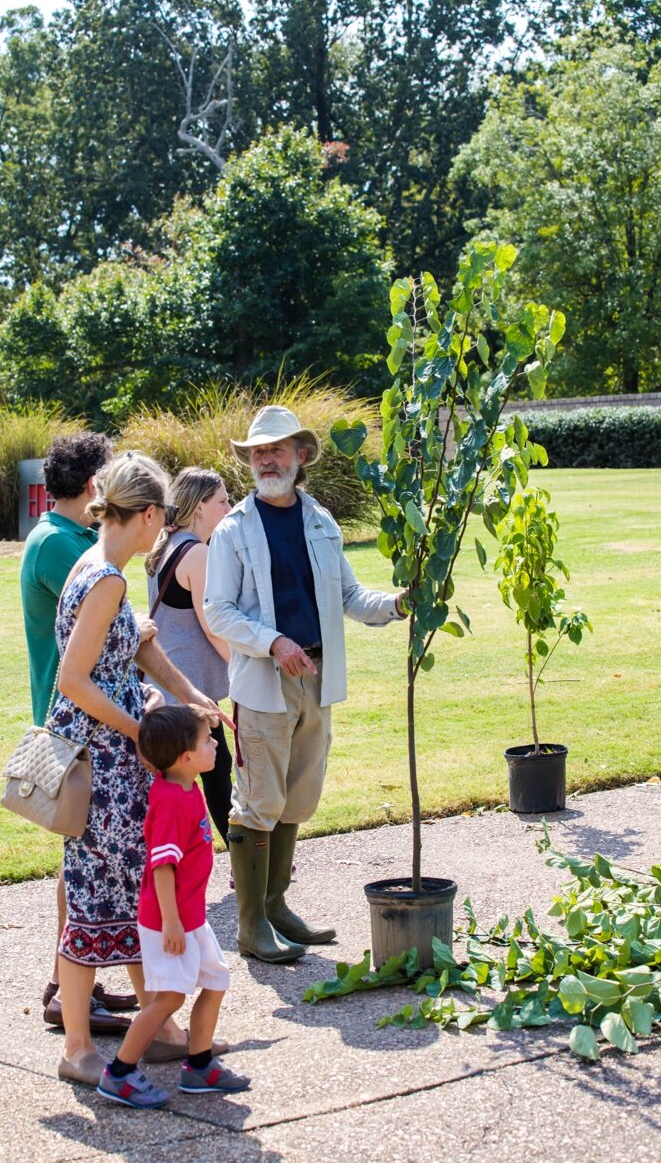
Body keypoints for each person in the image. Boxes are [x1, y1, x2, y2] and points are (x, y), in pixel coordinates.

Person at [51, 451, 233, 1087]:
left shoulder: (99, 567)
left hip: (111, 761)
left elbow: (138, 648)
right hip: (103, 765)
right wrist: (143, 732)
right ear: (151, 513)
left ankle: (162, 1031)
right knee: (94, 901)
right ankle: (78, 1048)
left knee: (130, 896)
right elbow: (73, 680)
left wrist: (192, 697)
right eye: (165, 516)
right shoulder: (105, 580)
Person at [204, 406, 406, 963]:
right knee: (257, 801)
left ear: (301, 455)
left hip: (317, 678)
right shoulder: (233, 530)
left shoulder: (320, 521)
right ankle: (251, 926)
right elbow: (218, 610)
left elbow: (348, 596)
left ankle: (275, 907)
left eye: (277, 449)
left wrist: (396, 604)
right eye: (257, 452)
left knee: (296, 796)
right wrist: (273, 642)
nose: (266, 460)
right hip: (263, 682)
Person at [20, 432, 136, 1031]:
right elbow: (113, 627)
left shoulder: (66, 537)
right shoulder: (59, 544)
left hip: (82, 716)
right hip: (77, 723)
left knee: (82, 858)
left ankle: (73, 986)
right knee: (82, 858)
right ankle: (67, 992)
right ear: (95, 484)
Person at [97, 703, 250, 1108]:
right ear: (185, 757)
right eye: (207, 741)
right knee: (168, 999)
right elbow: (161, 867)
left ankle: (199, 1066)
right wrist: (170, 923)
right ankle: (119, 1073)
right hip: (170, 921)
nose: (214, 745)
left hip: (190, 917)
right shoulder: (171, 802)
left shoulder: (185, 785)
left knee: (215, 981)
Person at [143, 468, 233, 844]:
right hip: (188, 685)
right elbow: (212, 625)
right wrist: (241, 668)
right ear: (199, 508)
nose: (229, 508)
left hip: (165, 678)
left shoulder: (164, 545)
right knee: (216, 768)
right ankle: (243, 860)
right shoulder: (197, 552)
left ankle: (172, 852)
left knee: (193, 772)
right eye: (222, 501)